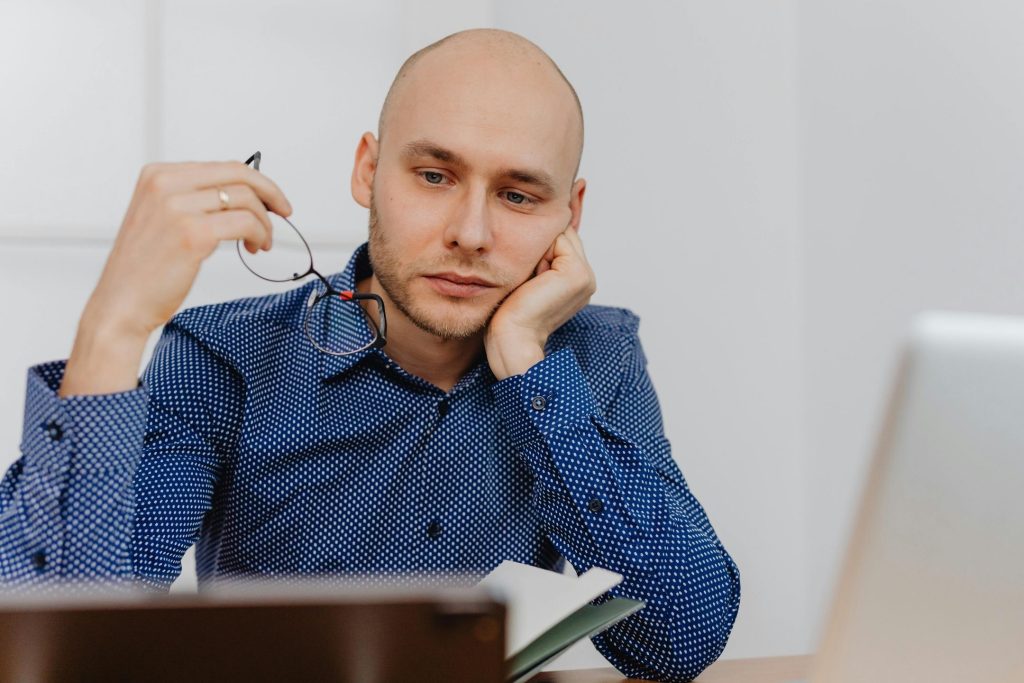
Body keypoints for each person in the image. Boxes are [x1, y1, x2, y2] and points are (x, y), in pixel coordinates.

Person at [0, 29, 739, 681]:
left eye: (518, 196)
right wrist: (112, 329)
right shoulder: (223, 358)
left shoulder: (590, 355)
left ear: (569, 216)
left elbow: (680, 639)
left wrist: (529, 367)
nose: (472, 233)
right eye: (434, 175)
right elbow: (57, 651)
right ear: (368, 172)